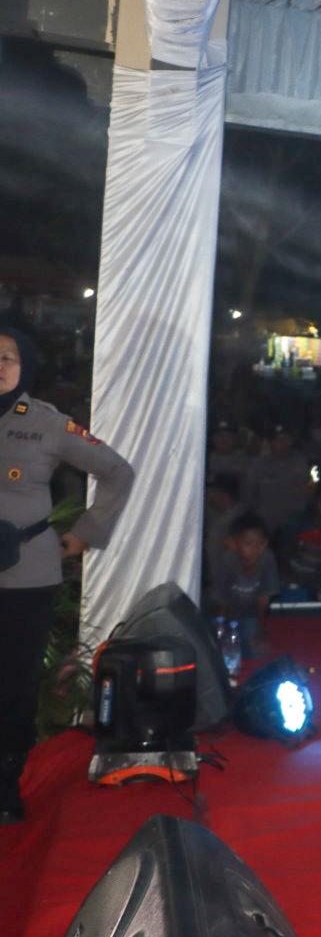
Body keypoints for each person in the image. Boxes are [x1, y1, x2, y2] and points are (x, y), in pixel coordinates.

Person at [0, 325, 134, 824]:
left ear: (25, 367)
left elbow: (118, 471)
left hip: (25, 576)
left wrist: (85, 533)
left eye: (8, 357)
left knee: (13, 687)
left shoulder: (48, 423)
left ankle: (5, 786)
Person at [207, 513, 279, 658]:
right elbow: (221, 601)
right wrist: (221, 631)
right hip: (226, 613)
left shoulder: (267, 559)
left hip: (252, 614)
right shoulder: (227, 561)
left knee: (256, 646)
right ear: (233, 544)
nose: (255, 549)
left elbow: (263, 600)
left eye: (260, 543)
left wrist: (260, 631)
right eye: (248, 544)